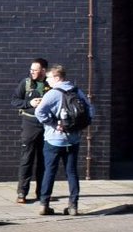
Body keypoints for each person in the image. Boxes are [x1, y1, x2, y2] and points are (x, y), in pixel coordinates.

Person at [34, 65, 95, 216]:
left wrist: (54, 124)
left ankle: (44, 204)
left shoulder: (52, 93)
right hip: (73, 140)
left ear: (56, 77)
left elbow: (39, 112)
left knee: (49, 171)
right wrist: (79, 126)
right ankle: (73, 206)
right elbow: (90, 110)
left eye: (48, 78)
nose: (47, 81)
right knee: (72, 173)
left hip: (53, 140)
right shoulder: (77, 91)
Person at [10, 58, 50, 204]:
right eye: (31, 70)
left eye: (35, 70)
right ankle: (22, 193)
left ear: (43, 70)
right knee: (26, 160)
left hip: (47, 126)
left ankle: (42, 193)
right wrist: (29, 103)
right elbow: (14, 101)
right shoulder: (26, 83)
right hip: (29, 125)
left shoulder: (50, 84)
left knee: (44, 161)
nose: (32, 72)